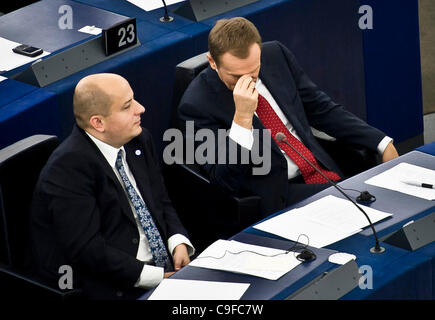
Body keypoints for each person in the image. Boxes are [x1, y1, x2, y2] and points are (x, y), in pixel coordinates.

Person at [178, 17, 398, 219]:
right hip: (277, 195)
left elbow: (321, 109)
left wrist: (380, 142)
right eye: (236, 76)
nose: (248, 81)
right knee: (363, 210)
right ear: (213, 62)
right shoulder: (196, 105)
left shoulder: (276, 55)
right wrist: (242, 119)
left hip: (321, 170)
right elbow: (223, 181)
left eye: (254, 71)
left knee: (385, 204)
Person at [30, 73, 194, 300]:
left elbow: (160, 200)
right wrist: (158, 277)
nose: (141, 108)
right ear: (98, 123)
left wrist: (178, 242)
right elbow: (89, 250)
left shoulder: (138, 139)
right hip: (115, 285)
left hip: (164, 269)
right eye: (127, 106)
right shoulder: (67, 170)